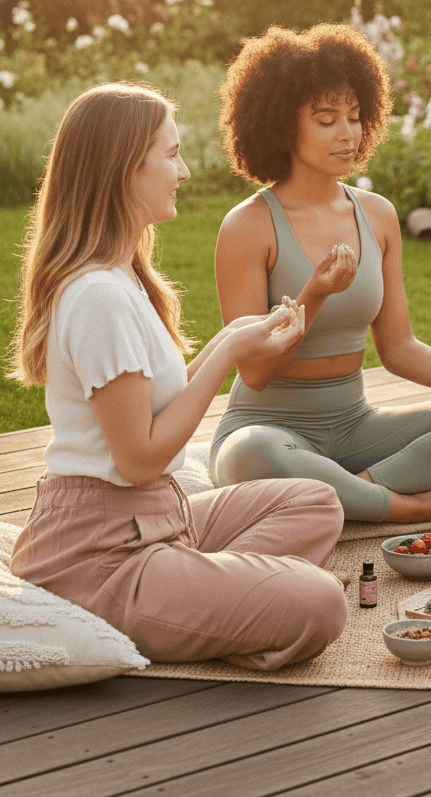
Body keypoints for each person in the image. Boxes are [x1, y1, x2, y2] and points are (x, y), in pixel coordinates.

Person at [8, 83, 348, 669]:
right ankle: (214, 612)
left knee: (315, 502)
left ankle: (206, 601)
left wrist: (231, 336)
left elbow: (151, 403)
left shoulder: (123, 277)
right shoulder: (98, 296)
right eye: (171, 155)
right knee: (320, 602)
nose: (185, 171)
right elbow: (139, 460)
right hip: (101, 555)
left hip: (159, 521)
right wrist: (228, 351)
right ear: (123, 169)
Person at [209, 23, 431, 525]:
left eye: (354, 116)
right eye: (326, 120)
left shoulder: (377, 215)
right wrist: (314, 293)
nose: (348, 133)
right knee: (249, 456)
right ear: (281, 125)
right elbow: (254, 372)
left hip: (357, 429)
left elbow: (399, 348)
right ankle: (409, 505)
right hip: (271, 429)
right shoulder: (247, 226)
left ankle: (356, 491)